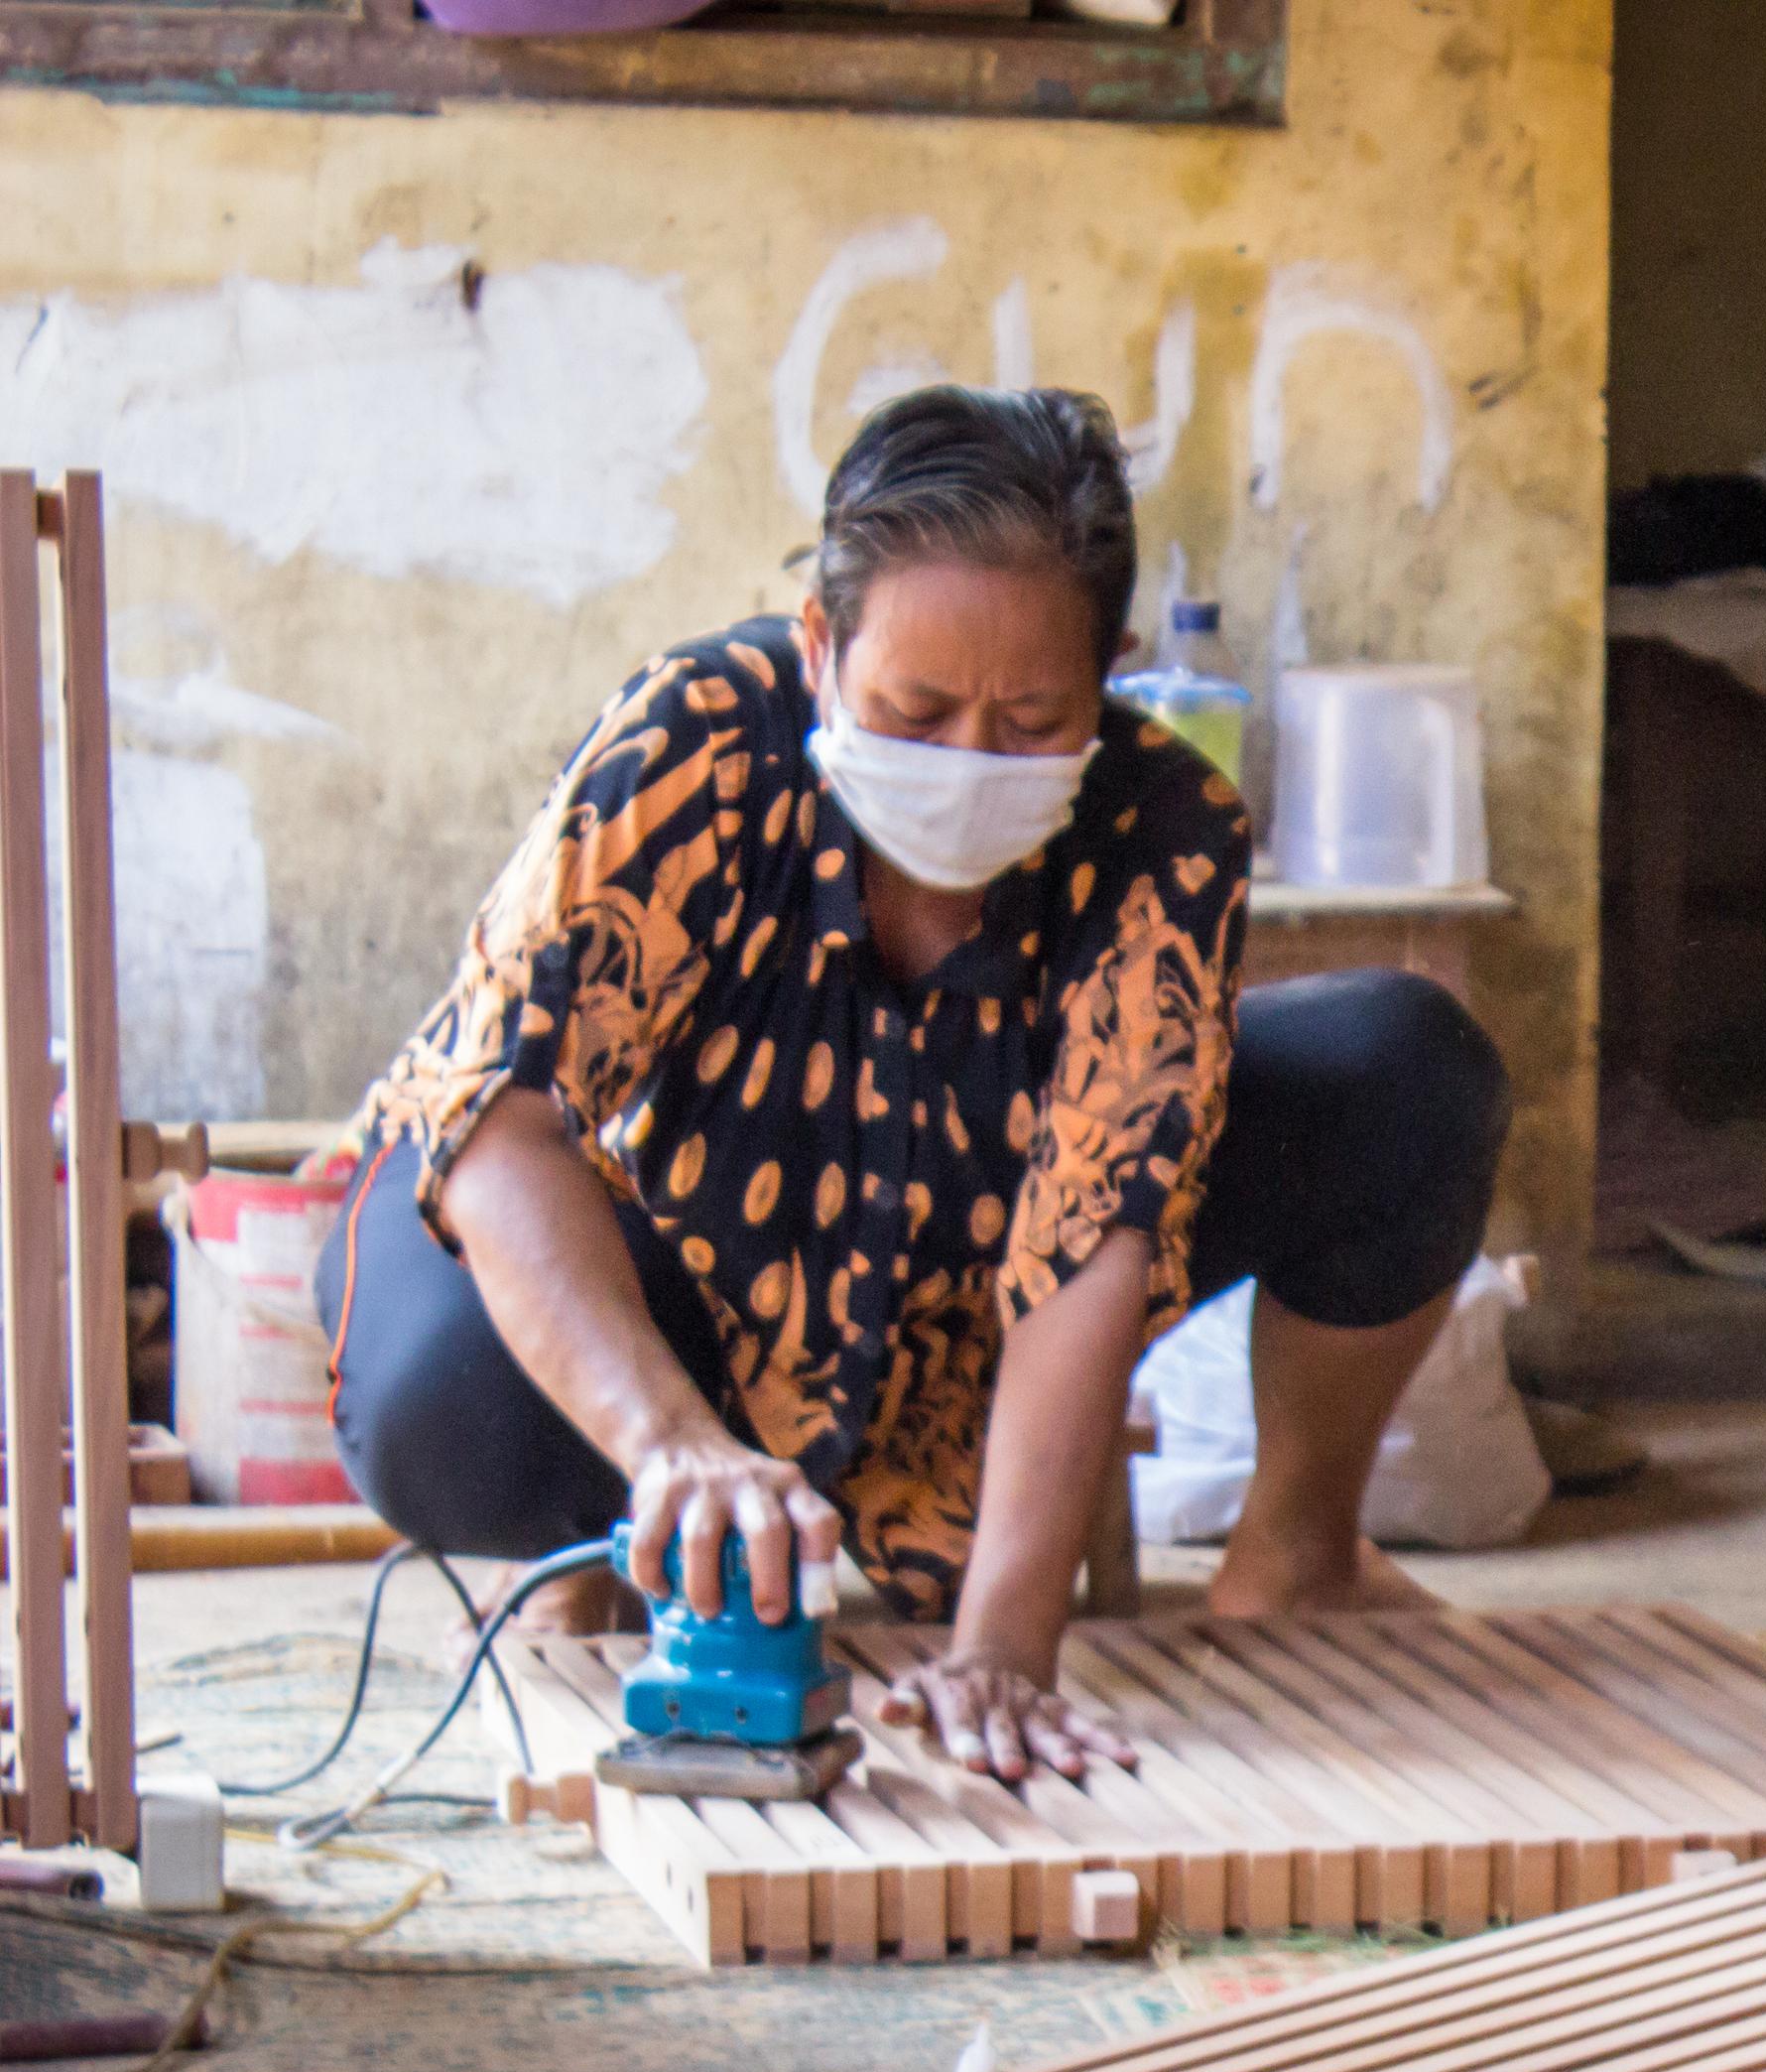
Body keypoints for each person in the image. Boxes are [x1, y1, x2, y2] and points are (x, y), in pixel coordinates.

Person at [317, 385, 1509, 1784]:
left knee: (1409, 1066)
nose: (966, 764)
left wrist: (1006, 1648)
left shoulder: (1162, 829)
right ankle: (610, 1560)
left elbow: (1094, 1237)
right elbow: (506, 1117)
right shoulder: (694, 742)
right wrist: (671, 1446)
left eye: (1030, 718)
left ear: (1110, 678)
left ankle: (1298, 1558)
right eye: (915, 708)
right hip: (675, 1268)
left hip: (962, 1303)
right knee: (445, 1391)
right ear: (822, 648)